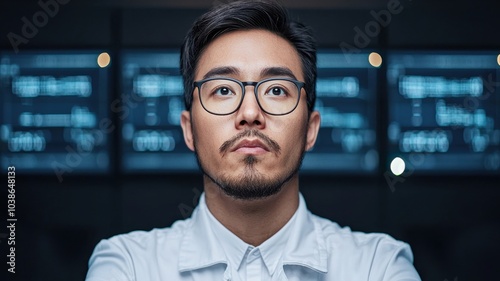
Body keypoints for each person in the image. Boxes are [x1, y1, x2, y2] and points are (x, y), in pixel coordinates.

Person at [86, 0, 421, 280]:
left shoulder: (378, 266)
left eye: (276, 90)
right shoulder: (127, 265)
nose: (250, 112)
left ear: (310, 129)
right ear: (189, 129)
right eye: (223, 90)